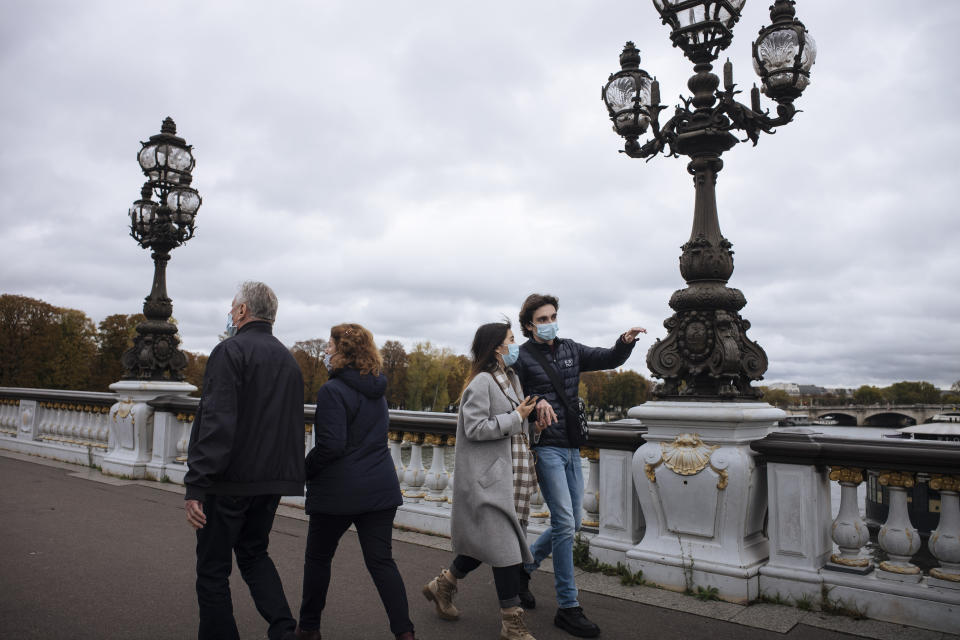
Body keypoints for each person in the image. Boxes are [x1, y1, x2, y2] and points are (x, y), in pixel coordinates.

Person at [514, 293, 646, 638]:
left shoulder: (571, 349)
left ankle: (523, 569)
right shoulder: (522, 357)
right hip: (545, 448)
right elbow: (513, 397)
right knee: (563, 522)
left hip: (572, 446)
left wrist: (624, 343)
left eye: (553, 316)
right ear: (529, 325)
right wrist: (537, 399)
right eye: (542, 319)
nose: (549, 323)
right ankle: (568, 607)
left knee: (570, 524)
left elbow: (609, 358)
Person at [184, 281, 305, 640]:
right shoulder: (288, 360)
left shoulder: (230, 351)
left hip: (228, 481)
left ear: (241, 312)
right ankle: (284, 631)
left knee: (213, 572)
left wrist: (197, 483)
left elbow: (217, 422)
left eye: (232, 307)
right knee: (254, 555)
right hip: (269, 482)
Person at [422, 321, 542, 640]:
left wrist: (530, 421)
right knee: (505, 551)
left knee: (485, 544)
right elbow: (475, 429)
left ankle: (443, 585)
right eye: (511, 340)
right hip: (487, 481)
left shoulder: (512, 379)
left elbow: (516, 423)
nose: (516, 345)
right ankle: (511, 622)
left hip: (510, 476)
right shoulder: (481, 383)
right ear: (496, 348)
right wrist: (516, 417)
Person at [296, 323, 415, 640]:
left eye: (330, 345)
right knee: (381, 562)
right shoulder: (377, 389)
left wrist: (303, 468)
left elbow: (331, 446)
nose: (326, 350)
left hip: (338, 491)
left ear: (342, 350)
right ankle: (405, 632)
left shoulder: (332, 391)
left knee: (319, 559)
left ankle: (308, 629)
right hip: (379, 488)